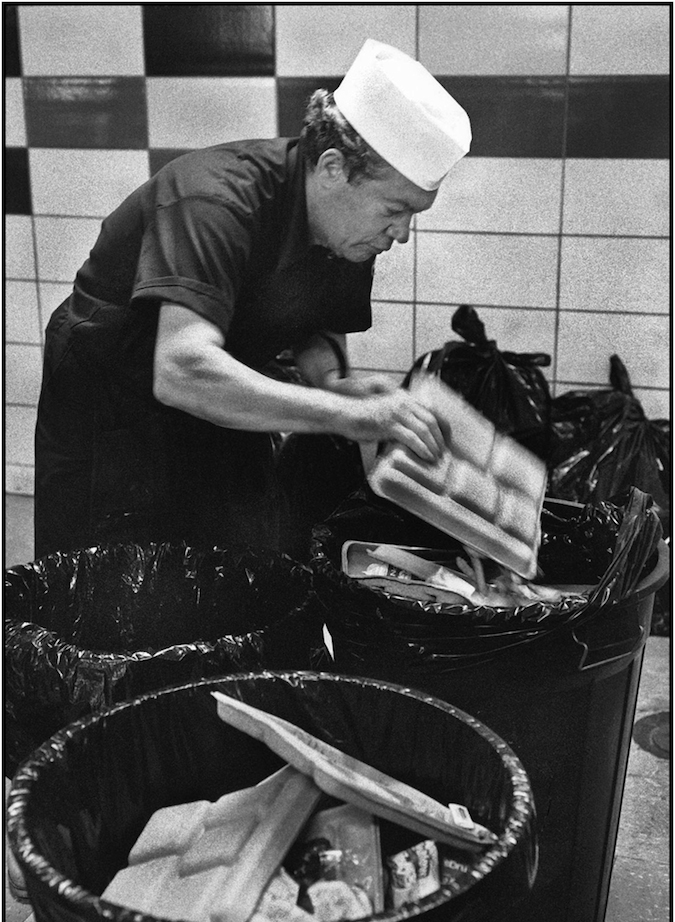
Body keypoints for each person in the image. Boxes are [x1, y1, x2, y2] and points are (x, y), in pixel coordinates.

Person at [34, 38, 471, 558]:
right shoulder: (215, 199)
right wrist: (340, 414)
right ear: (333, 168)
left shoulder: (349, 229)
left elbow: (317, 317)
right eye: (396, 210)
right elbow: (181, 369)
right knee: (115, 586)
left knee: (247, 556)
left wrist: (335, 382)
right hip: (113, 406)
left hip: (223, 394)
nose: (400, 234)